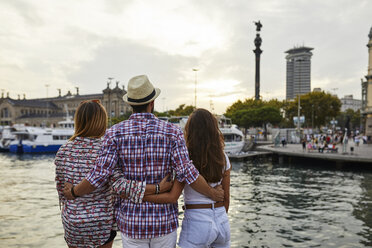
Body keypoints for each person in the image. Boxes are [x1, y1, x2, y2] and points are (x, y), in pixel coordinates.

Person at [63, 75, 224, 247]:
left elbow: (100, 175)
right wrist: (212, 193)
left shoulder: (114, 133)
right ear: (152, 103)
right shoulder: (172, 132)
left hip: (132, 223)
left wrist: (74, 192)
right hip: (164, 223)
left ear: (130, 104)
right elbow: (187, 172)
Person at [55, 100, 173, 248]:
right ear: (101, 121)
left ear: (77, 121)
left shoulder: (63, 151)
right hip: (101, 222)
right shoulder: (106, 148)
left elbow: (62, 192)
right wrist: (157, 188)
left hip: (73, 222)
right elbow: (121, 186)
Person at [143, 108, 231, 248]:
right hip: (222, 222)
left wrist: (140, 196)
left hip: (197, 222)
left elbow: (173, 196)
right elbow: (226, 199)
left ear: (190, 130)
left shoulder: (186, 159)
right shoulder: (223, 158)